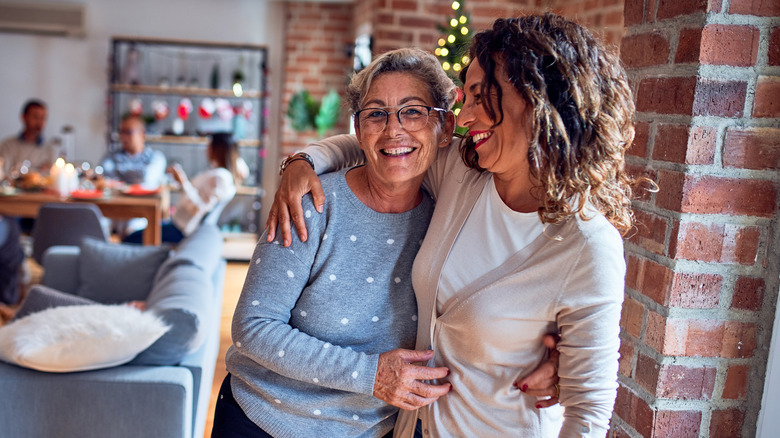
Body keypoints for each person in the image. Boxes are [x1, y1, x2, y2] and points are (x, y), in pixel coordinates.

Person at [268, 13, 642, 437]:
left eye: (483, 97)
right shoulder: (463, 170)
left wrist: (566, 365)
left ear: (542, 101)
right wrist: (303, 161)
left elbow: (589, 414)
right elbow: (382, 141)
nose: (465, 114)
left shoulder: (587, 246)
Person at [213, 48, 557, 438]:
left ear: (444, 127)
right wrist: (370, 375)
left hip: (371, 431)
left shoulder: (450, 215)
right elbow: (252, 326)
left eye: (413, 111)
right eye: (376, 113)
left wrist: (556, 347)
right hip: (264, 420)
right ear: (359, 131)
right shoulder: (311, 204)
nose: (394, 130)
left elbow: (500, 292)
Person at [123, 132, 243, 244]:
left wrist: (183, 182)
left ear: (218, 149)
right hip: (178, 225)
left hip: (183, 230)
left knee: (129, 239)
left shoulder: (220, 177)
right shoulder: (221, 174)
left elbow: (199, 208)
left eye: (210, 145)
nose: (207, 149)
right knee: (133, 233)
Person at [100, 114, 166, 187]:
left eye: (128, 132)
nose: (123, 137)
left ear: (142, 134)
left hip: (143, 198)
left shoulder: (156, 157)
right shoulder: (111, 155)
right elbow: (105, 175)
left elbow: (146, 177)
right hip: (117, 198)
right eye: (122, 132)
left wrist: (119, 175)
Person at [0, 99, 61, 178]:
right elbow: (4, 174)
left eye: (43, 118)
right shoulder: (8, 146)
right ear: (24, 117)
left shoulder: (50, 149)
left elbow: (53, 177)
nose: (40, 122)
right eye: (35, 117)